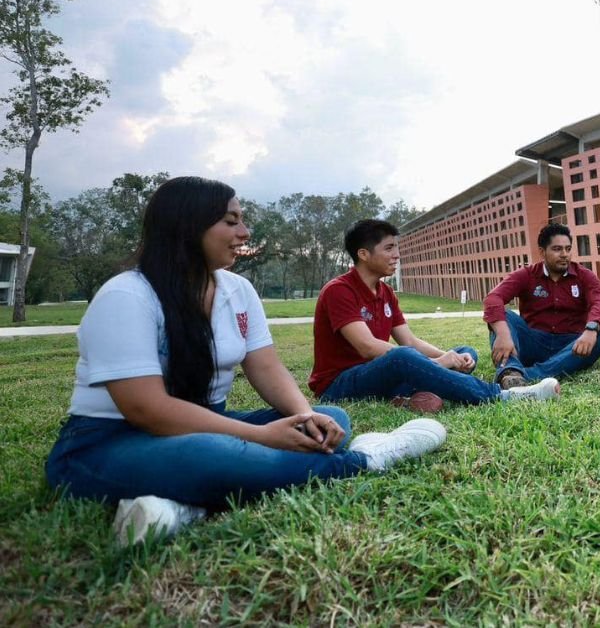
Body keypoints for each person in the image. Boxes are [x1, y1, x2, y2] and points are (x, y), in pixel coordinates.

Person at [45, 177, 446, 546]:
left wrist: (305, 416)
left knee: (330, 420)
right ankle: (370, 458)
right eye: (230, 221)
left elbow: (266, 366)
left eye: (243, 220)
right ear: (188, 226)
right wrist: (258, 435)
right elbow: (147, 409)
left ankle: (184, 507)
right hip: (110, 441)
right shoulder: (127, 296)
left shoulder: (237, 290)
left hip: (207, 422)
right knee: (208, 455)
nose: (245, 232)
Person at [310, 219, 560, 411]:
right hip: (340, 383)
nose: (396, 255)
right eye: (388, 248)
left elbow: (410, 341)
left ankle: (407, 395)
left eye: (396, 247)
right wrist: (437, 363)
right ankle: (502, 395)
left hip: (380, 375)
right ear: (363, 254)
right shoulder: (339, 290)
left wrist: (448, 356)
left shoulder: (385, 291)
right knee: (402, 358)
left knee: (465, 352)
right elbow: (366, 347)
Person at [483, 223, 600, 386]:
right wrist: (503, 334)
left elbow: (599, 303)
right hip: (534, 342)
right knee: (505, 317)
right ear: (542, 252)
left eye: (568, 248)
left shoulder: (585, 276)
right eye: (557, 249)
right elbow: (493, 298)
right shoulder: (527, 275)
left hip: (571, 347)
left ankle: (525, 376)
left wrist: (591, 330)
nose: (564, 254)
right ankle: (510, 371)